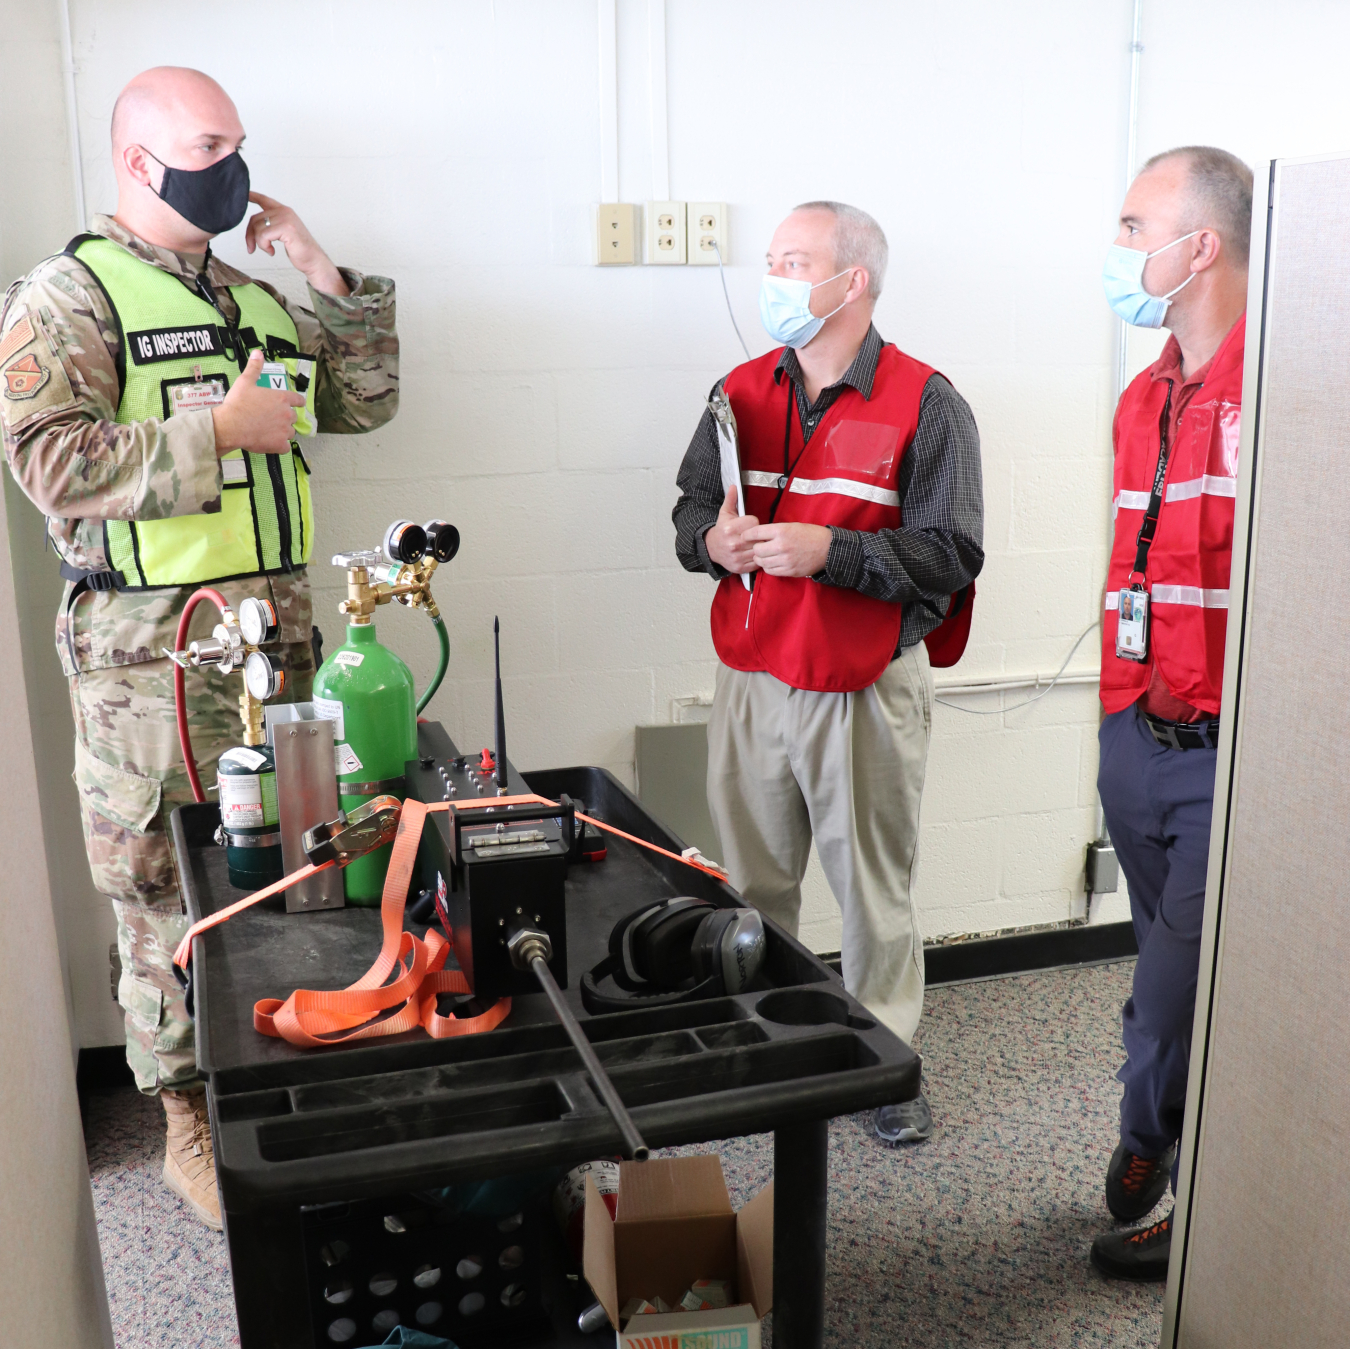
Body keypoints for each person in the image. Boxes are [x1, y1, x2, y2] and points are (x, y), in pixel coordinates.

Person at [0, 67, 399, 1229]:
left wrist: (320, 274)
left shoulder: (252, 299)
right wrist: (213, 432)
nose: (233, 165)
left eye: (239, 143)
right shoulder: (68, 294)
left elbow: (361, 401)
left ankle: (290, 1081)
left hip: (277, 641)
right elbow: (46, 460)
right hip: (150, 655)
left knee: (297, 862)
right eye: (209, 143)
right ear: (138, 161)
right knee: (163, 884)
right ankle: (187, 1122)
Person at [673, 201, 983, 1143]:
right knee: (754, 885)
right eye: (770, 259)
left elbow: (952, 553)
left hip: (861, 690)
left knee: (870, 894)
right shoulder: (736, 391)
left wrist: (832, 554)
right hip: (754, 677)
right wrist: (711, 541)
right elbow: (689, 509)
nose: (772, 277)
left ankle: (884, 1067)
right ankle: (766, 1042)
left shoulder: (929, 404)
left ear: (852, 281)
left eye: (792, 260)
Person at [1089, 147, 1252, 1280]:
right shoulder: (1142, 394)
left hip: (1227, 756)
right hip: (1134, 737)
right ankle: (1173, 1144)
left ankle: (1155, 1155)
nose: (1118, 247)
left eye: (1136, 224)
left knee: (1171, 996)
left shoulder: (1288, 390)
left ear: (1201, 245)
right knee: (1169, 968)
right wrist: (1112, 721)